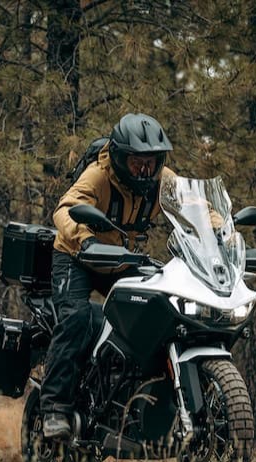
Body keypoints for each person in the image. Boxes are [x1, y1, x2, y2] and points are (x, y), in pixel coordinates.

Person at [41, 113, 176, 439]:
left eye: (151, 162)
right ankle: (54, 408)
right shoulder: (99, 177)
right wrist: (83, 239)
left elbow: (197, 206)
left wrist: (221, 235)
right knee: (76, 317)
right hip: (77, 255)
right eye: (136, 163)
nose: (145, 170)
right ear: (119, 157)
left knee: (161, 310)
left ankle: (124, 392)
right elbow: (64, 208)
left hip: (121, 258)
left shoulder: (163, 181)